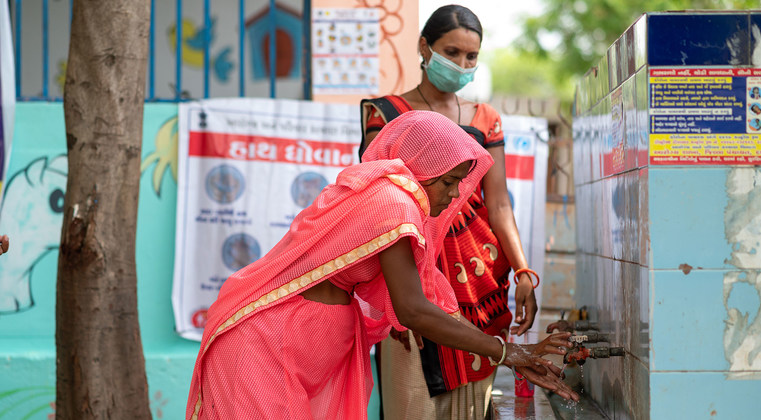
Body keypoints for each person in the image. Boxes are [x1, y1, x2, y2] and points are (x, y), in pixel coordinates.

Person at [186, 111, 578, 419]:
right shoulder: (392, 204)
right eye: (448, 181)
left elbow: (421, 304)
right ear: (420, 169)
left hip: (290, 349)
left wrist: (513, 354)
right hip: (263, 345)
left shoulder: (393, 200)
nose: (455, 194)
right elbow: (413, 309)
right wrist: (507, 353)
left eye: (461, 182)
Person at [359, 5, 540, 419]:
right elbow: (379, 210)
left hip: (479, 282)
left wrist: (523, 271)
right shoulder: (386, 114)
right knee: (413, 398)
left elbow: (498, 203)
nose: (461, 63)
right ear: (425, 47)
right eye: (452, 51)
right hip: (411, 279)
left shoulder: (484, 118)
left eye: (471, 56)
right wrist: (395, 302)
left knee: (478, 399)